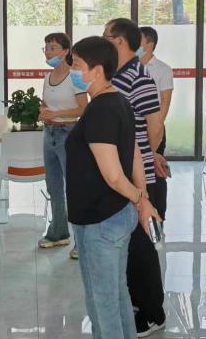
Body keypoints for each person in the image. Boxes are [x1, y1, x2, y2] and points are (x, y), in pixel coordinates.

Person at [65, 36, 161, 339]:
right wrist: (142, 198)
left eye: (76, 65)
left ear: (96, 70)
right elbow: (135, 154)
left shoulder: (101, 110)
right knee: (117, 294)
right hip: (114, 214)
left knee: (102, 302)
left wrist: (140, 199)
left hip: (101, 220)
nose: (72, 71)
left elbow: (114, 176)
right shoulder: (118, 100)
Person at [104, 18, 167, 336]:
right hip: (121, 171)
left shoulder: (139, 77)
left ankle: (153, 311)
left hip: (138, 172)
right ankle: (134, 300)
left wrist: (147, 155)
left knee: (142, 242)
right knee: (127, 240)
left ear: (120, 41)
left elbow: (155, 125)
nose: (103, 41)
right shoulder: (114, 74)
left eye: (107, 36)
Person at [38, 32, 88, 259]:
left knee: (75, 188)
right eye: (46, 48)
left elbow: (83, 109)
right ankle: (58, 233)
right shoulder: (47, 77)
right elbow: (45, 103)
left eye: (53, 48)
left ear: (66, 51)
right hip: (49, 134)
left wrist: (56, 114)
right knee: (54, 186)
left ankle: (81, 241)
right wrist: (43, 111)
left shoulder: (75, 77)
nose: (49, 52)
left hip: (69, 134)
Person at [139, 26, 174, 220]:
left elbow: (165, 103)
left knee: (155, 173)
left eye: (138, 42)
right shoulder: (126, 68)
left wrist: (155, 131)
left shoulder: (162, 69)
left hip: (154, 129)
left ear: (150, 45)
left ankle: (159, 217)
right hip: (133, 131)